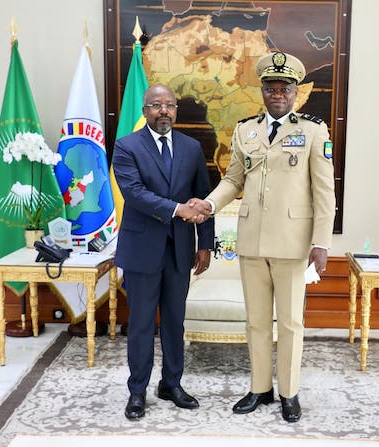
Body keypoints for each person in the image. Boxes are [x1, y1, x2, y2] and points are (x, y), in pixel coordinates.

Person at [194, 52, 336, 422]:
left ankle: (289, 392)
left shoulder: (313, 131)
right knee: (256, 322)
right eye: (271, 88)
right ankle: (260, 388)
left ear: (295, 93)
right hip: (252, 241)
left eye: (284, 88)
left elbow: (324, 192)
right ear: (262, 91)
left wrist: (321, 243)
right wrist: (209, 205)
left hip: (293, 242)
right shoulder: (246, 130)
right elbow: (233, 180)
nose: (277, 94)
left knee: (289, 323)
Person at [112, 84, 214, 420]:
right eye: (156, 105)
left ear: (176, 110)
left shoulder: (191, 147)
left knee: (174, 322)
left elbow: (203, 197)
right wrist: (177, 209)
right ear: (145, 111)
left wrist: (205, 243)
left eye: (169, 105)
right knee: (142, 324)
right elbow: (134, 193)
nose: (164, 111)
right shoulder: (127, 146)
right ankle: (137, 391)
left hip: (180, 251)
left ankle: (171, 384)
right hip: (142, 250)